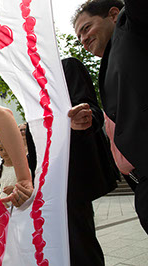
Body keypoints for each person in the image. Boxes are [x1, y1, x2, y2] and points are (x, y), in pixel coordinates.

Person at [28, 57, 119, 266]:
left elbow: (91, 109)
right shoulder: (31, 85)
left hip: (71, 176)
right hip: (46, 177)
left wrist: (81, 120)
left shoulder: (67, 67)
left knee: (80, 244)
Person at [73, 0, 148, 233]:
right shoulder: (110, 62)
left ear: (114, 15)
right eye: (78, 37)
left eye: (86, 28)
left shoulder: (132, 25)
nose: (83, 39)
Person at [0, 139, 18, 208]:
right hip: (4, 207)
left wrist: (14, 189)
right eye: (1, 149)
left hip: (19, 205)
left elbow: (27, 186)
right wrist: (0, 202)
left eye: (7, 148)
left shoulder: (20, 167)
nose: (4, 152)